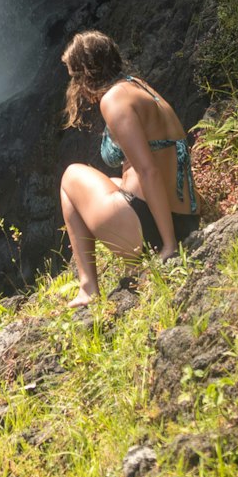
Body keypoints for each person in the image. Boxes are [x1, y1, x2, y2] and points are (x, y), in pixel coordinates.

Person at [59, 29, 201, 308]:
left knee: (71, 176)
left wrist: (169, 247)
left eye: (74, 77)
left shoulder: (114, 100)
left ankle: (88, 287)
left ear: (86, 73)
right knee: (110, 180)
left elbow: (149, 171)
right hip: (185, 217)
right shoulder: (138, 86)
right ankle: (95, 282)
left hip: (153, 228)